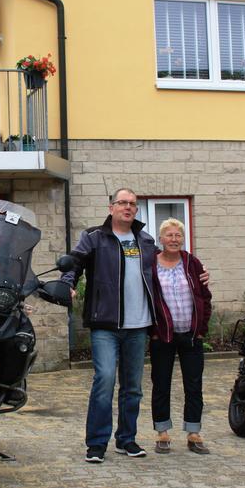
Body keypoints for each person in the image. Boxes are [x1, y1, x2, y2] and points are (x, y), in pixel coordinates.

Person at [62, 188, 156, 463]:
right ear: (111, 207)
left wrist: (197, 275)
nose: (128, 207)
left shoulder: (146, 240)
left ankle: (126, 440)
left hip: (138, 325)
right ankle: (96, 443)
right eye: (122, 203)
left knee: (133, 387)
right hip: (105, 323)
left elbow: (166, 266)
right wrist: (68, 283)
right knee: (104, 380)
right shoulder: (94, 237)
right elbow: (74, 262)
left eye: (132, 204)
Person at [150, 217, 213, 455]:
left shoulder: (192, 263)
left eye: (178, 235)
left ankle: (194, 432)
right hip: (163, 336)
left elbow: (205, 297)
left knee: (194, 385)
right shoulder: (151, 264)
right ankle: (162, 432)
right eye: (169, 235)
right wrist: (153, 332)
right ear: (161, 238)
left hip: (191, 335)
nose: (174, 239)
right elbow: (147, 299)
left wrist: (201, 330)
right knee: (161, 384)